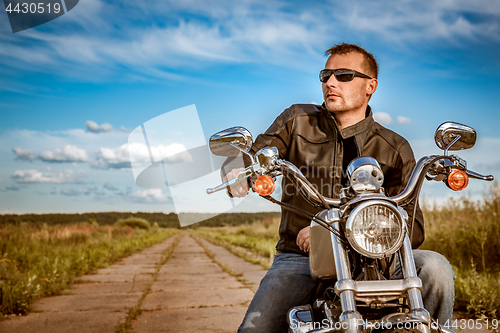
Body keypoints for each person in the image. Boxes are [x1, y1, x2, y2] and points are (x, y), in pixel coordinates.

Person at [222, 43, 455, 333]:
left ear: (371, 86)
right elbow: (255, 155)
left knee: (436, 268)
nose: (330, 82)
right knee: (254, 330)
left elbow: (413, 228)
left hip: (378, 261)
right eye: (326, 75)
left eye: (344, 75)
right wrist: (237, 171)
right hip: (300, 256)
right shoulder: (297, 121)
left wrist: (326, 231)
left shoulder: (395, 147)